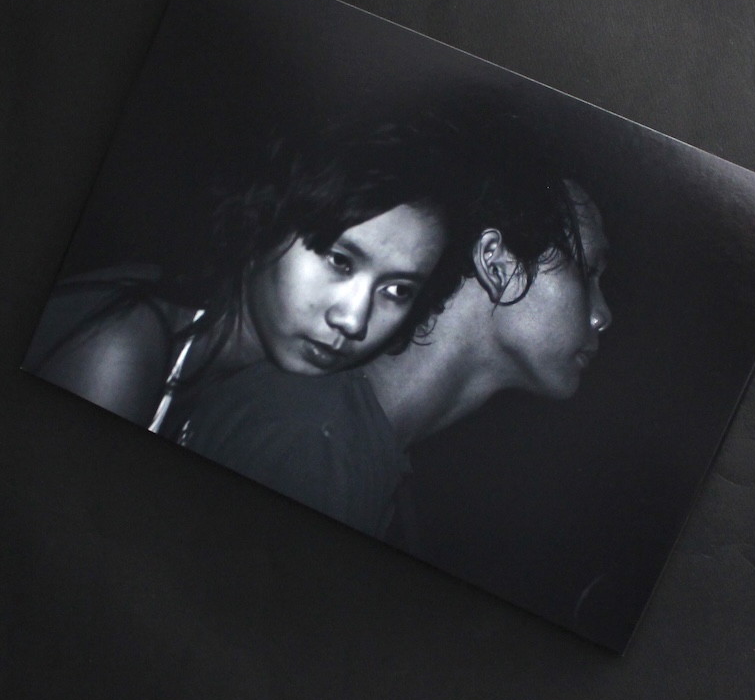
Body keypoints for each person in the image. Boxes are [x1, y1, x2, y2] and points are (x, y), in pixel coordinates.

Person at [176, 126, 613, 538]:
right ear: (496, 265)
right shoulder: (312, 446)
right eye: (588, 271)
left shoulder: (364, 455)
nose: (602, 315)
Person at [23, 111, 480, 434]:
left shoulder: (248, 389)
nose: (353, 320)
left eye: (397, 290)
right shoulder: (119, 350)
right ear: (267, 220)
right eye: (340, 261)